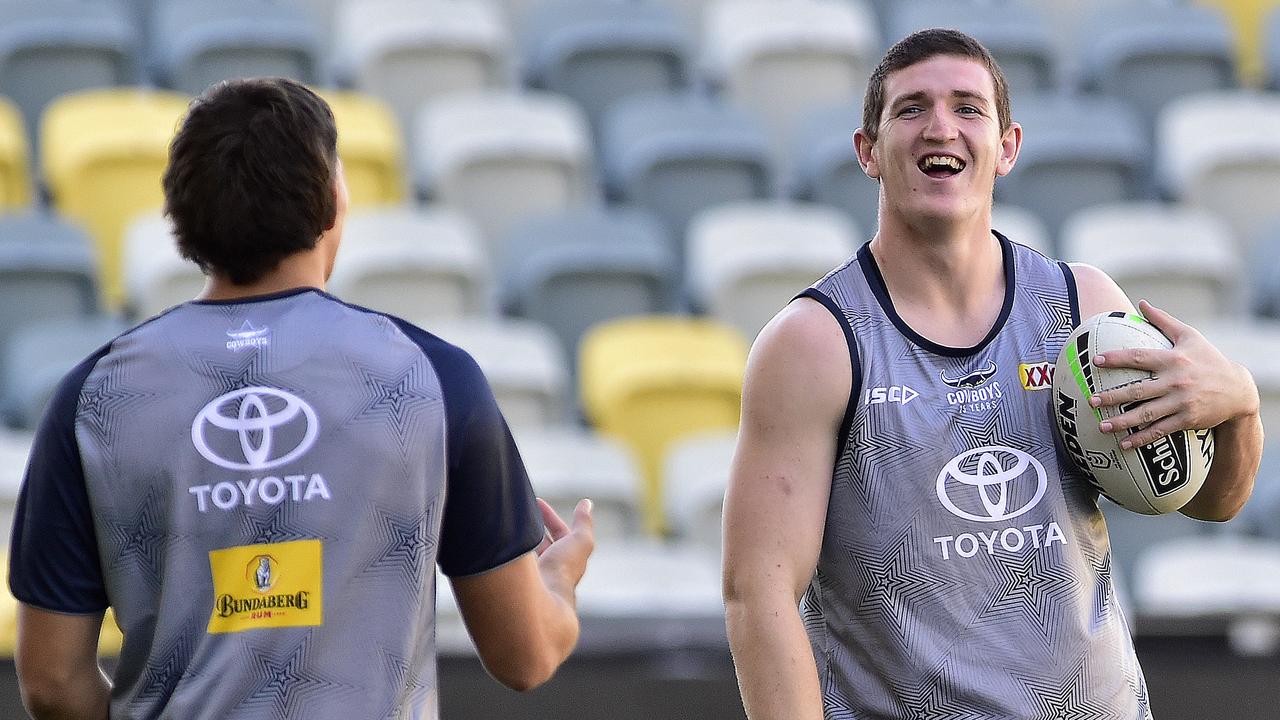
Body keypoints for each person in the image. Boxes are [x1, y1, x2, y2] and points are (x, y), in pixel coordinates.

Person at [9, 77, 595, 720]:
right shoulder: (431, 378)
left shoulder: (95, 399)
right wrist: (557, 579)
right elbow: (526, 655)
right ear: (331, 202)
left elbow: (51, 681)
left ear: (181, 217)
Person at [722, 29, 1263, 719]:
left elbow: (1211, 501)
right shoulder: (814, 344)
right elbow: (757, 591)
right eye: (911, 108)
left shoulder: (1084, 311)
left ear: (1007, 147)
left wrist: (1238, 408)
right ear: (868, 152)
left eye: (967, 108)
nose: (940, 126)